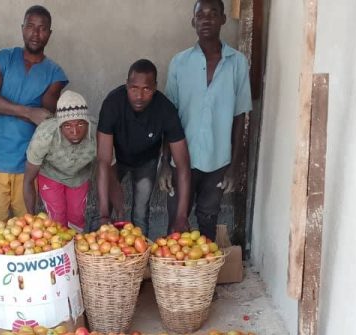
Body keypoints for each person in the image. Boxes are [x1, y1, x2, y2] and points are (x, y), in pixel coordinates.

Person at [162, 0, 252, 240]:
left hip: (217, 159)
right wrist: (165, 162)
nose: (206, 19)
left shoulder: (237, 63)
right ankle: (174, 276)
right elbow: (167, 116)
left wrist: (234, 167)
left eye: (213, 14)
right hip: (180, 159)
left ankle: (203, 277)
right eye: (200, 15)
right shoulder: (179, 63)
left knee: (208, 220)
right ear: (193, 22)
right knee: (176, 222)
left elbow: (240, 117)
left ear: (223, 19)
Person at [0, 5, 68, 228]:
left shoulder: (54, 73)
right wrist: (29, 111)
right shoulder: (4, 59)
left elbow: (47, 118)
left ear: (49, 33)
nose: (35, 34)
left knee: (26, 233)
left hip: (29, 163)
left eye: (42, 28)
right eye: (30, 26)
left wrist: (0, 109)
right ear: (22, 29)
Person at [96, 59, 192, 235]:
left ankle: (140, 258)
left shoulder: (165, 110)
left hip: (146, 161)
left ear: (155, 88)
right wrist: (103, 215)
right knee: (106, 211)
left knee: (140, 213)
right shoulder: (112, 103)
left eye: (146, 89)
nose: (139, 96)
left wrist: (181, 216)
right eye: (134, 88)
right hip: (116, 159)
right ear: (127, 85)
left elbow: (183, 164)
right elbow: (103, 161)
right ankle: (103, 256)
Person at [23, 91, 96, 231]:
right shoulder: (45, 136)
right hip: (51, 175)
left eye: (80, 125)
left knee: (77, 218)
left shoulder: (97, 133)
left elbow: (108, 168)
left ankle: (75, 249)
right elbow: (28, 180)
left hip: (79, 177)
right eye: (67, 126)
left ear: (87, 123)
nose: (75, 132)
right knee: (56, 220)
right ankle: (60, 251)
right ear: (59, 126)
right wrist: (30, 217)